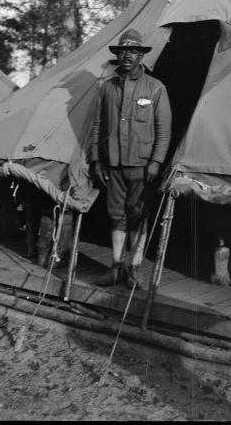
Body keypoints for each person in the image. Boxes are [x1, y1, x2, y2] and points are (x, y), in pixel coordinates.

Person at [90, 29, 172, 289]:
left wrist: (156, 162)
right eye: (123, 51)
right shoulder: (107, 88)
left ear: (141, 56)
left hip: (142, 165)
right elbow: (97, 126)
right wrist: (96, 160)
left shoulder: (156, 87)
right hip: (113, 164)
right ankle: (116, 268)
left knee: (138, 215)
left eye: (133, 51)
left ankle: (134, 271)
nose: (127, 56)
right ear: (118, 55)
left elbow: (163, 129)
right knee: (117, 216)